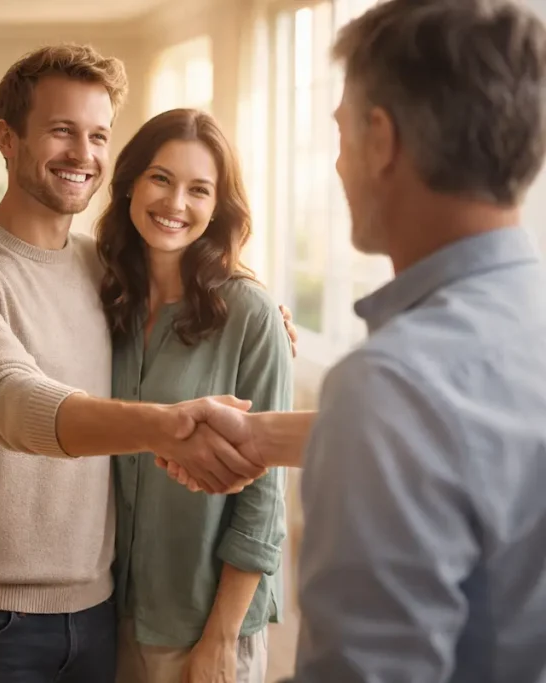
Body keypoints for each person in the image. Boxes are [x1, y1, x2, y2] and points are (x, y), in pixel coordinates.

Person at [155, 1, 546, 680]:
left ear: (380, 139)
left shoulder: (392, 384)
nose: (336, 165)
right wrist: (265, 437)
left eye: (340, 133)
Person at [0, 45, 296, 683]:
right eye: (61, 130)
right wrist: (166, 425)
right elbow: (8, 398)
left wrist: (258, 309)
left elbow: (194, 292)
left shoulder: (104, 273)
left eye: (98, 135)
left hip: (99, 609)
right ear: (7, 137)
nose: (82, 154)